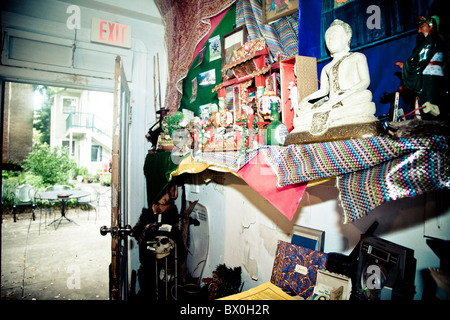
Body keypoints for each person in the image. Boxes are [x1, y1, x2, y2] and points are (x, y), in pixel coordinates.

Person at [292, 19, 379, 136]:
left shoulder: (357, 57)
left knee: (365, 95)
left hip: (348, 99)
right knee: (302, 111)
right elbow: (323, 91)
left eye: (335, 35)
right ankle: (331, 115)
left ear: (348, 37)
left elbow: (365, 81)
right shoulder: (326, 68)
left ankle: (331, 115)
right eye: (328, 36)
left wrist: (346, 94)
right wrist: (305, 100)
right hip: (331, 103)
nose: (330, 39)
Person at [395, 15, 447, 120]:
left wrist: (407, 66)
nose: (419, 31)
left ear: (430, 25)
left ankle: (429, 129)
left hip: (430, 76)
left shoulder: (432, 40)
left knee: (428, 104)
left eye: (422, 26)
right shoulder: (437, 40)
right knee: (426, 103)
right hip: (431, 75)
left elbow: (420, 57)